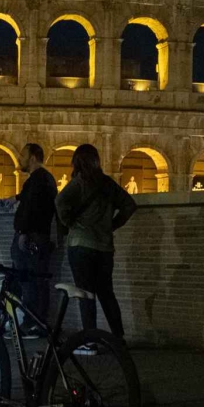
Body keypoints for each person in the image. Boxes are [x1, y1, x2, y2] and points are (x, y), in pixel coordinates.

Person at [55, 143, 137, 344]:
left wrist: (69, 222)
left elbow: (59, 202)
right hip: (104, 247)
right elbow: (129, 205)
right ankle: (119, 338)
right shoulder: (108, 184)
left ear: (77, 162)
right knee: (106, 293)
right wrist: (112, 225)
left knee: (85, 293)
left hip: (81, 245)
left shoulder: (79, 182)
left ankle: (89, 339)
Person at [7, 143, 58, 329]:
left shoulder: (36, 180)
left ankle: (31, 323)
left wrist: (22, 232)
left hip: (31, 238)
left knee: (28, 281)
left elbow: (32, 208)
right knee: (38, 281)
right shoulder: (46, 179)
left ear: (33, 158)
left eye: (23, 154)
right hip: (41, 236)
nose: (19, 158)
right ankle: (39, 322)